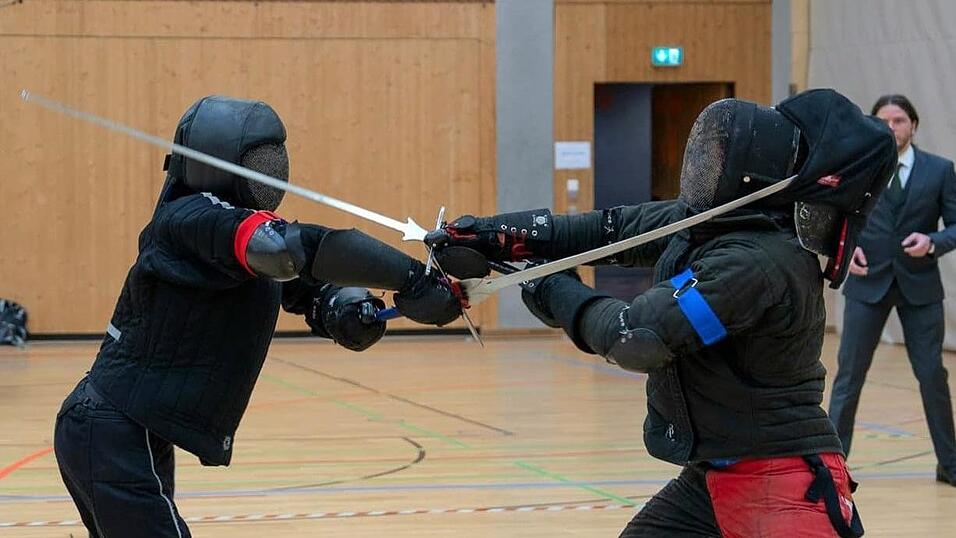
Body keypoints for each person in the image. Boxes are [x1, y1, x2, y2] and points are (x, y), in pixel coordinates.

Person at [429, 89, 896, 537]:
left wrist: (550, 287)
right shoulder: (714, 220)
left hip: (782, 482)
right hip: (716, 476)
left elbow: (637, 336)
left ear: (752, 170)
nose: (702, 165)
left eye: (718, 156)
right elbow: (611, 229)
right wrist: (495, 236)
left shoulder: (759, 262)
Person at [53, 95, 464, 537]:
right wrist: (411, 277)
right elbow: (286, 251)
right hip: (110, 430)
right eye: (260, 161)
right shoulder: (189, 219)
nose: (271, 172)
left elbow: (310, 289)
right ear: (220, 160)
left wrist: (347, 309)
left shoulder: (239, 232)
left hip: (128, 430)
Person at [827, 94, 956, 486]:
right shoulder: (858, 168)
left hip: (920, 287)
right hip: (867, 284)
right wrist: (845, 250)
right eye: (883, 121)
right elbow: (834, 219)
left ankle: (950, 465)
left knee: (932, 375)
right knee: (849, 378)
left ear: (913, 125)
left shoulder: (940, 170)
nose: (891, 127)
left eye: (898, 120)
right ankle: (833, 469)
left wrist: (933, 242)